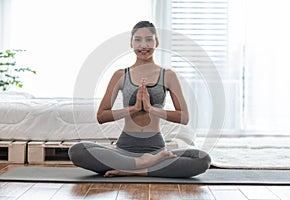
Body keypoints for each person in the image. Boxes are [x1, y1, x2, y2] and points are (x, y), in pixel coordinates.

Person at [68, 21, 211, 178]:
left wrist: (151, 109)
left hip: (157, 150)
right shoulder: (120, 75)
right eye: (138, 40)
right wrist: (134, 108)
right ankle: (142, 164)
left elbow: (184, 117)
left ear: (157, 42)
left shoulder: (168, 76)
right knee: (77, 151)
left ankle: (138, 169)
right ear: (131, 43)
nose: (144, 45)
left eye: (149, 39)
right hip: (124, 149)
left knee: (202, 159)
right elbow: (101, 116)